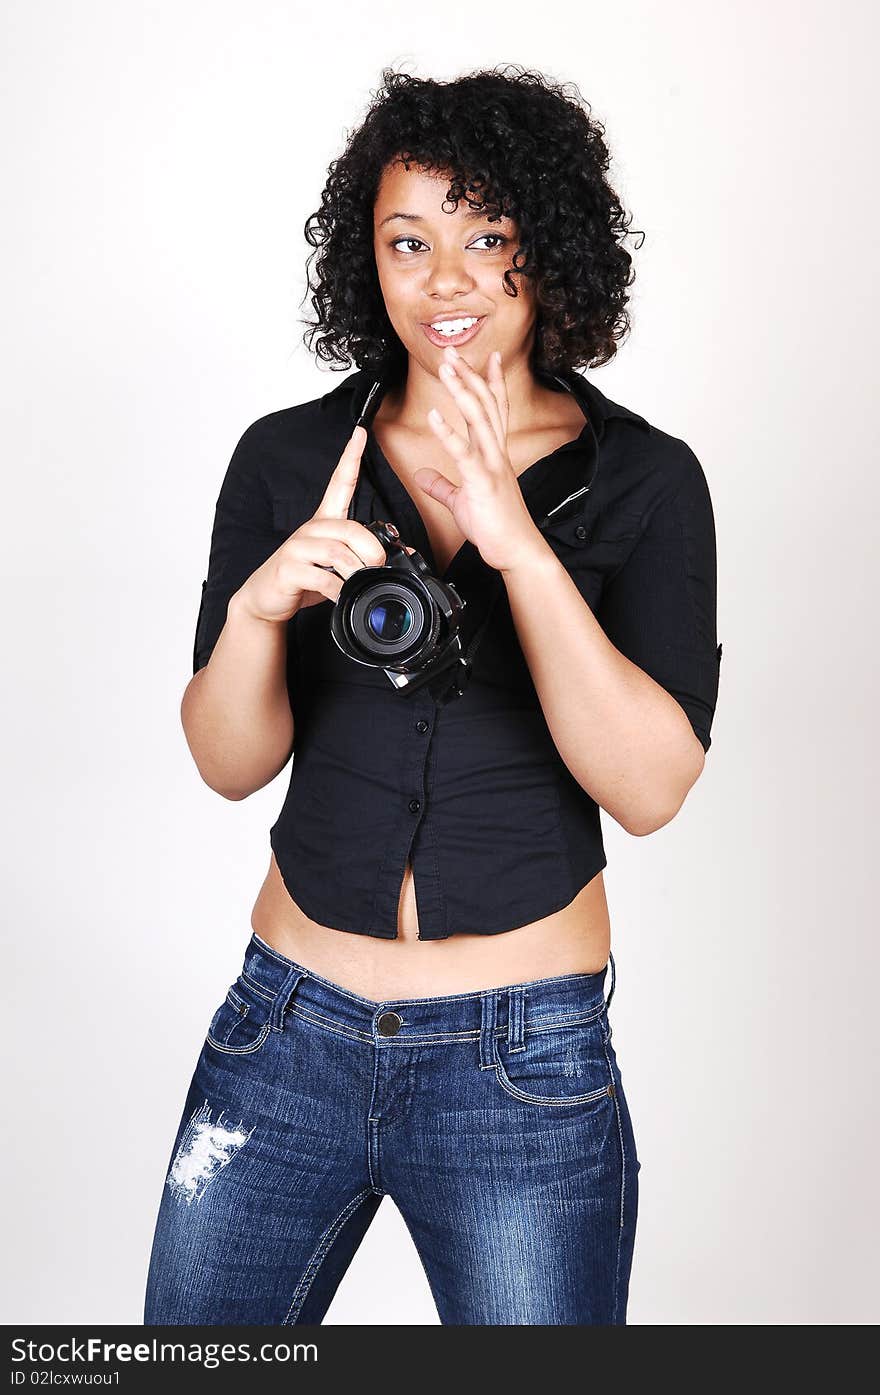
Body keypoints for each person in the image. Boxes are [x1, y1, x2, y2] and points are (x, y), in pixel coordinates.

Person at [143, 65, 721, 1326]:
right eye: (409, 242)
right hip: (281, 1031)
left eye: (487, 240)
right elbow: (228, 762)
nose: (444, 280)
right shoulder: (292, 458)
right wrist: (255, 614)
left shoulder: (645, 482)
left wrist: (514, 544)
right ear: (369, 262)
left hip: (521, 1059)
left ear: (548, 253)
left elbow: (651, 787)